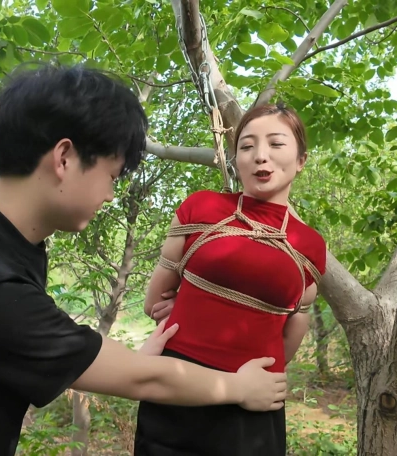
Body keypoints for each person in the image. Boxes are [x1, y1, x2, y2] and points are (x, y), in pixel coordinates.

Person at [0, 64, 289, 456]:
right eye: (111, 175)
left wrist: (126, 359)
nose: (110, 194)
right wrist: (237, 388)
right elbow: (142, 381)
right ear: (64, 157)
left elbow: (41, 347)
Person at [134, 103, 327, 456]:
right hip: (177, 384)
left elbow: (291, 335)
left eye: (276, 144)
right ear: (236, 159)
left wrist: (256, 376)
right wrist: (195, 304)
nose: (260, 155)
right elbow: (155, 303)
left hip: (255, 402)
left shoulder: (310, 246)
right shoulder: (201, 208)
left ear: (301, 159)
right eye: (247, 146)